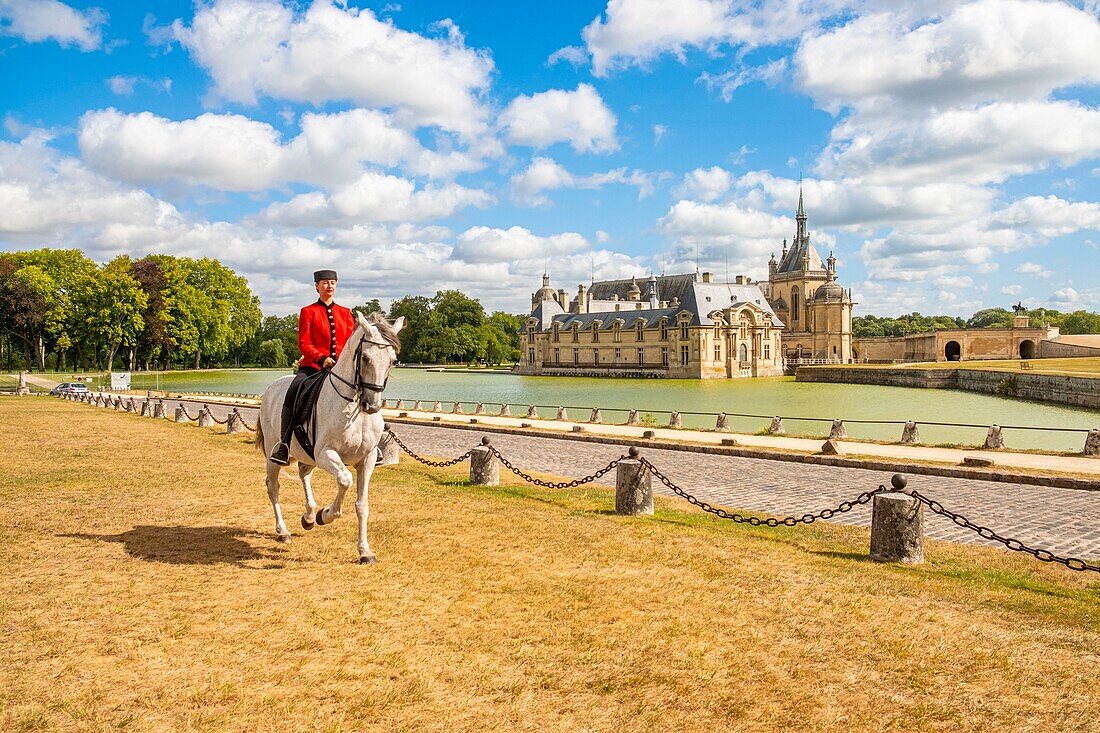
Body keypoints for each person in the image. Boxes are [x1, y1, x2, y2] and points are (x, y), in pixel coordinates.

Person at [268, 269, 356, 465]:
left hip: (341, 371)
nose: (329, 286)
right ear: (316, 286)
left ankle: (376, 440)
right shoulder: (308, 312)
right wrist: (322, 357)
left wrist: (342, 361)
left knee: (367, 391)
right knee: (293, 391)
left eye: (333, 282)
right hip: (313, 367)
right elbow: (304, 343)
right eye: (325, 283)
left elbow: (350, 343)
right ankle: (284, 444)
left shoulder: (345, 313)